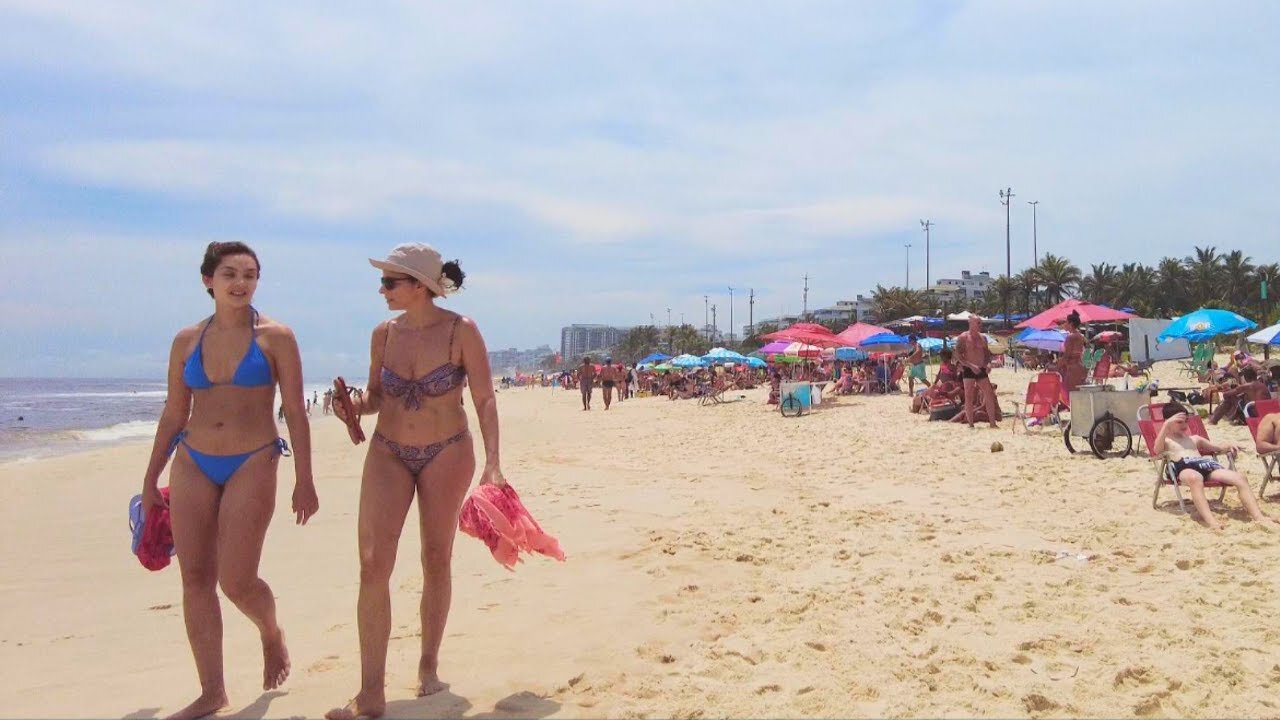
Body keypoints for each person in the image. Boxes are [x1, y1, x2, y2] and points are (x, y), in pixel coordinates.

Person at [139, 241, 317, 720]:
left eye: (250, 274)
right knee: (195, 578)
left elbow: (296, 411)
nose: (241, 283)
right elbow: (175, 411)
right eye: (230, 274)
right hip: (193, 459)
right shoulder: (186, 340)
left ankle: (271, 632)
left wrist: (305, 477)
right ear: (208, 281)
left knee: (236, 580)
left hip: (254, 459)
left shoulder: (276, 337)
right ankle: (212, 692)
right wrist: (150, 477)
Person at [328, 243, 505, 720]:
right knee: (372, 565)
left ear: (420, 287)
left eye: (390, 281)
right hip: (388, 450)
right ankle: (370, 692)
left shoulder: (460, 331)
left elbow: (485, 398)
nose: (382, 290)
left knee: (434, 556)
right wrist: (352, 408)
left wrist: (493, 463)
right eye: (383, 281)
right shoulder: (383, 334)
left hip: (447, 450)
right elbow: (376, 398)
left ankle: (428, 663)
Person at [1152, 404, 1277, 531]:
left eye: (1186, 421)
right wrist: (1165, 426)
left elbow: (1217, 448)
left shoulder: (1195, 439)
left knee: (1240, 477)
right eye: (1179, 422)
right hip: (1182, 467)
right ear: (1167, 422)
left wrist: (1229, 445)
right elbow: (1157, 450)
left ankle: (1258, 516)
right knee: (1194, 478)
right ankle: (1211, 521)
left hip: (1204, 465)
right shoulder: (1166, 441)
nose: (1184, 425)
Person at [954, 315, 1000, 428]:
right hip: (969, 368)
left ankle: (992, 423)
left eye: (980, 323)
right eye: (978, 323)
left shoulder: (983, 338)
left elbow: (987, 354)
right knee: (968, 396)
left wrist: (988, 364)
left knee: (989, 394)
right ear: (971, 323)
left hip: (981, 369)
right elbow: (958, 356)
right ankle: (971, 424)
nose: (980, 325)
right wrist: (970, 365)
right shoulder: (963, 337)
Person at [1056, 311, 1088, 391]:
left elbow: (1067, 356)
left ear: (1071, 324)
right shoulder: (1080, 336)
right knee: (1076, 395)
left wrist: (1057, 365)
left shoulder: (1070, 337)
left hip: (1071, 368)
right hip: (1079, 366)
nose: (1064, 324)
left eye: (1066, 322)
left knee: (1069, 394)